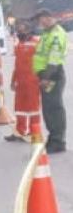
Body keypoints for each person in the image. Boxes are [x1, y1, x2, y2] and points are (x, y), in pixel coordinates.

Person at [34, 8, 69, 153]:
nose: (40, 22)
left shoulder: (55, 35)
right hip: (47, 75)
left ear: (49, 18)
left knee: (54, 109)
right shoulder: (47, 33)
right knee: (49, 109)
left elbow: (54, 60)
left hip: (52, 75)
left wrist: (46, 78)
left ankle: (57, 141)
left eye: (42, 19)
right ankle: (53, 138)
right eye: (39, 20)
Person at [6, 19, 42, 142]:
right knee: (20, 109)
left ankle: (34, 132)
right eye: (18, 29)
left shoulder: (37, 43)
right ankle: (20, 132)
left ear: (28, 30)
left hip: (33, 81)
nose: (20, 32)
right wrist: (13, 81)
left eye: (22, 29)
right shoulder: (18, 45)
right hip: (21, 82)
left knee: (33, 109)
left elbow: (42, 62)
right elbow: (17, 65)